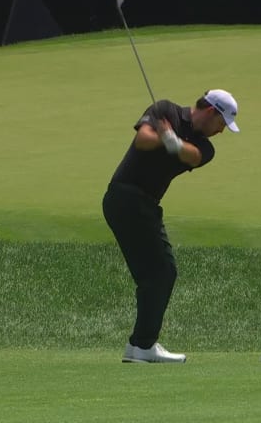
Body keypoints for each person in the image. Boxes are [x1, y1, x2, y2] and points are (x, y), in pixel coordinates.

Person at [103, 89, 240, 363]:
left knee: (157, 274)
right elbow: (142, 140)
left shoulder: (205, 146)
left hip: (144, 206)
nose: (221, 131)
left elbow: (192, 156)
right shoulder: (165, 109)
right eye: (222, 124)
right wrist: (165, 136)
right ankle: (143, 345)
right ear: (212, 112)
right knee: (162, 272)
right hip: (126, 197)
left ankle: (138, 346)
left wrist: (171, 139)